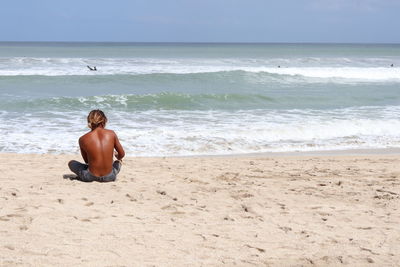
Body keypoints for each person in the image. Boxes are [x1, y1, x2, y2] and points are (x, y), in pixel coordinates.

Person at [68, 110, 125, 182]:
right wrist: (117, 156)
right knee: (118, 162)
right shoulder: (111, 134)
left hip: (90, 177)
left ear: (89, 122)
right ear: (104, 121)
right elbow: (122, 154)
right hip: (110, 177)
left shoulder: (83, 139)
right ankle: (118, 163)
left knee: (71, 163)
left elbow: (87, 161)